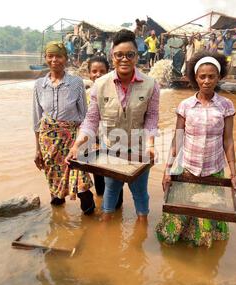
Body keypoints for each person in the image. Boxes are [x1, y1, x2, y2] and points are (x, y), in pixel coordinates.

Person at [66, 29, 160, 222]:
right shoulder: (100, 84)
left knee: (140, 193)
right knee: (110, 190)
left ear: (136, 56)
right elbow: (91, 120)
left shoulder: (151, 84)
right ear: (112, 56)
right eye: (119, 55)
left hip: (139, 151)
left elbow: (151, 117)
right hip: (111, 150)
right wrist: (77, 145)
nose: (124, 59)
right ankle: (106, 226)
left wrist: (151, 145)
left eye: (129, 54)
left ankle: (142, 227)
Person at [156, 51, 236, 247]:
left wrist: (234, 174)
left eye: (211, 76)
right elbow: (177, 140)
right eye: (202, 76)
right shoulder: (185, 105)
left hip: (213, 171)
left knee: (207, 216)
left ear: (218, 78)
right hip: (188, 168)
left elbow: (228, 141)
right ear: (195, 78)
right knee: (180, 215)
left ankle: (203, 254)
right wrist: (167, 170)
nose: (207, 81)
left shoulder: (226, 106)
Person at [33, 41, 95, 214]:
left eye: (58, 56)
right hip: (48, 141)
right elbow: (37, 120)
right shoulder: (39, 85)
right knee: (54, 181)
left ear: (66, 59)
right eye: (50, 56)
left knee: (81, 181)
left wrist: (84, 144)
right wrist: (37, 149)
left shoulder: (76, 83)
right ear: (45, 58)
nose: (54, 60)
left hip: (72, 139)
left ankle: (91, 220)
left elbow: (84, 116)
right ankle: (58, 221)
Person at [86, 56, 124, 209]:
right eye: (94, 71)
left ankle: (117, 207)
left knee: (115, 176)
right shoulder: (87, 94)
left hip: (113, 141)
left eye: (102, 71)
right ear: (89, 74)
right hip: (94, 142)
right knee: (99, 178)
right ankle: (103, 205)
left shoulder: (117, 91)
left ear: (108, 72)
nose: (98, 74)